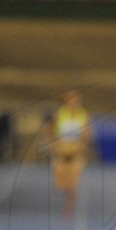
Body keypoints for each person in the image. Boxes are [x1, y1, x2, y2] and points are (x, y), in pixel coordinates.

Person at [45, 90, 92, 218]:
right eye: (70, 100)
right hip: (62, 149)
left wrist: (85, 142)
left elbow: (88, 132)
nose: (73, 102)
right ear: (65, 102)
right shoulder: (60, 114)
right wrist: (51, 144)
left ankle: (68, 207)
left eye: (75, 100)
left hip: (76, 150)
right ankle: (67, 192)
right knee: (60, 184)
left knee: (73, 183)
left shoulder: (83, 114)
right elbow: (49, 129)